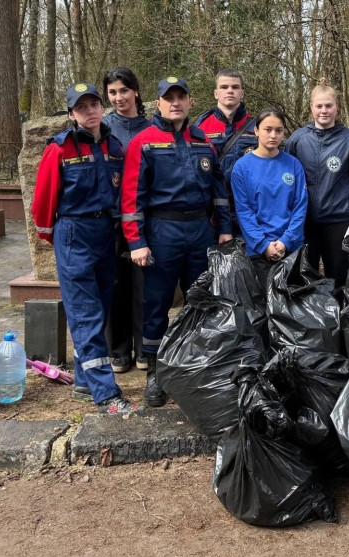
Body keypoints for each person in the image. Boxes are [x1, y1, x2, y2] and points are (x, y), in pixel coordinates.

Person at [121, 76, 233, 407]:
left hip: (200, 231)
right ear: (157, 103)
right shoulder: (144, 142)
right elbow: (131, 197)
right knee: (156, 305)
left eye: (181, 97)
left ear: (190, 101)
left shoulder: (204, 142)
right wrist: (136, 241)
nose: (175, 103)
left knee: (201, 303)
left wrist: (224, 229)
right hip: (162, 232)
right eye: (168, 98)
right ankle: (155, 373)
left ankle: (195, 368)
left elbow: (218, 191)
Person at [31, 82, 139, 414]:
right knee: (86, 315)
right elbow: (43, 204)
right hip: (74, 234)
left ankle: (83, 381)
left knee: (99, 311)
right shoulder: (59, 150)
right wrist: (60, 239)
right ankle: (106, 395)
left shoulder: (114, 147)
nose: (89, 112)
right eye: (82, 107)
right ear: (71, 114)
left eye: (93, 105)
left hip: (106, 234)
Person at [285, 83, 349, 288]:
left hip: (339, 219)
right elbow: (287, 178)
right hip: (305, 220)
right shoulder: (298, 139)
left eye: (329, 106)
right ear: (312, 107)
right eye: (319, 106)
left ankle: (340, 315)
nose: (324, 111)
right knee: (305, 274)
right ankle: (309, 318)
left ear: (337, 107)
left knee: (339, 275)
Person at [101, 67, 150, 374]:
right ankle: (118, 349)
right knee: (115, 285)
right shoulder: (103, 127)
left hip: (144, 218)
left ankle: (145, 346)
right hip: (111, 219)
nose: (119, 97)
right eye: (113, 92)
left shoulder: (150, 127)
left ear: (135, 91)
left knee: (144, 286)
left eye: (124, 90)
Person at [230, 108, 308, 289]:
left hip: (291, 248)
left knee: (292, 308)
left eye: (279, 130)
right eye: (267, 129)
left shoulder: (293, 164)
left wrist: (286, 241)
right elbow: (244, 210)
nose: (273, 135)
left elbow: (300, 205)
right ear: (256, 131)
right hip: (259, 250)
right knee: (264, 308)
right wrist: (263, 244)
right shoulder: (242, 168)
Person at [193, 69, 258, 235]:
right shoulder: (200, 127)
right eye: (224, 87)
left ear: (242, 93)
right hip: (212, 211)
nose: (230, 91)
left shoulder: (256, 127)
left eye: (235, 87)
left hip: (247, 208)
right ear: (216, 93)